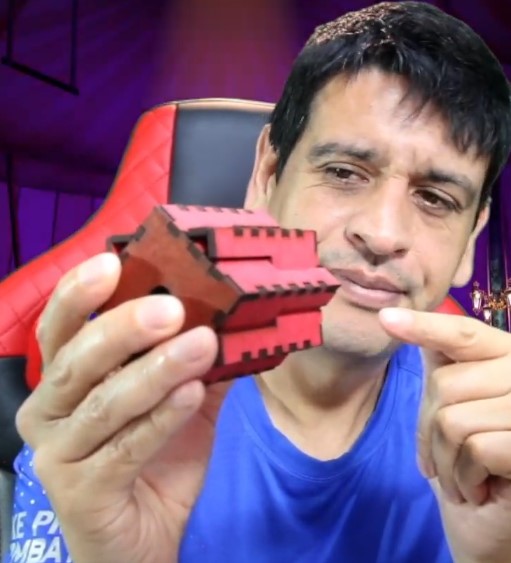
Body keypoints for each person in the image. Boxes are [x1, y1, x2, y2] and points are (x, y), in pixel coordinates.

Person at [6, 2, 511, 562]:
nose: (382, 233)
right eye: (343, 172)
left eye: (436, 198)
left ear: (470, 239)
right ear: (267, 176)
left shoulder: (492, 434)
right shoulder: (123, 388)